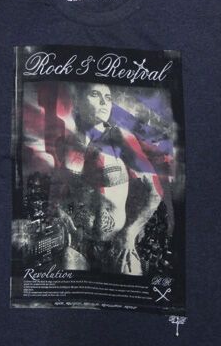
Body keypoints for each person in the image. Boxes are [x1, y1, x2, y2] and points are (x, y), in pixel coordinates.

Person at [48, 82, 163, 275]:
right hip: (78, 243)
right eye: (95, 95)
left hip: (118, 244)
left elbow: (155, 193)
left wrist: (130, 234)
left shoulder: (120, 138)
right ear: (78, 102)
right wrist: (61, 213)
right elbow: (60, 189)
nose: (104, 102)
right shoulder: (66, 144)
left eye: (108, 98)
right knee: (66, 289)